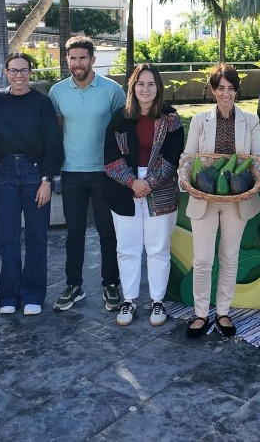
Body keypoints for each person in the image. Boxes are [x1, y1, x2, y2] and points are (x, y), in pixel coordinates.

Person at [182, 65, 260, 338]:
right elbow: (188, 158)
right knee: (203, 259)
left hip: (237, 198)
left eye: (230, 88)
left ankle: (223, 312)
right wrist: (190, 182)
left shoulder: (249, 121)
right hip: (204, 196)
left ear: (236, 91)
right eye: (220, 88)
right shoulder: (199, 120)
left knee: (229, 257)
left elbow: (257, 160)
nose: (225, 94)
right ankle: (201, 313)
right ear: (213, 91)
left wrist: (256, 182)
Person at [48, 36, 126, 312]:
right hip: (71, 173)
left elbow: (121, 131)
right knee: (74, 233)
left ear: (93, 60)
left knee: (108, 231)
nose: (77, 63)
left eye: (83, 58)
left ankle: (110, 284)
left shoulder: (112, 91)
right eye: (72, 58)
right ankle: (74, 286)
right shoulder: (57, 92)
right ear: (67, 60)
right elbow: (57, 131)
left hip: (105, 173)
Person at [103, 64, 184, 327]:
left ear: (158, 88)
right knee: (127, 248)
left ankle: (157, 301)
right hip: (124, 188)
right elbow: (111, 156)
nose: (145, 89)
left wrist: (149, 183)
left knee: (158, 247)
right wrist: (132, 182)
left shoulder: (171, 118)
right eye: (140, 84)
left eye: (151, 84)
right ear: (132, 86)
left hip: (160, 188)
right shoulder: (120, 117)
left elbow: (174, 155)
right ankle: (129, 299)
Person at [0, 52, 63, 316]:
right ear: (6, 72)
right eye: (14, 70)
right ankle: (8, 295)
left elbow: (53, 145)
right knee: (6, 237)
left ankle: (33, 293)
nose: (19, 75)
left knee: (36, 237)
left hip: (35, 174)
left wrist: (46, 180)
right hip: (5, 174)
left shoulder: (41, 103)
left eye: (24, 71)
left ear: (30, 74)